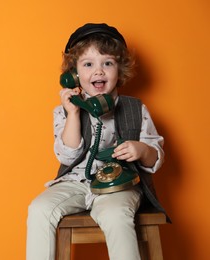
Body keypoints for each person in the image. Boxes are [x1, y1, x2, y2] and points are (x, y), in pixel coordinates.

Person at [26, 23, 169, 260]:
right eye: (88, 64)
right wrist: (73, 114)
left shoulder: (136, 108)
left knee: (116, 216)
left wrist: (142, 149)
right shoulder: (64, 110)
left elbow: (156, 156)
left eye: (108, 63)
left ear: (120, 70)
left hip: (119, 185)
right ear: (73, 75)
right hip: (75, 182)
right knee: (39, 209)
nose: (99, 71)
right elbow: (67, 156)